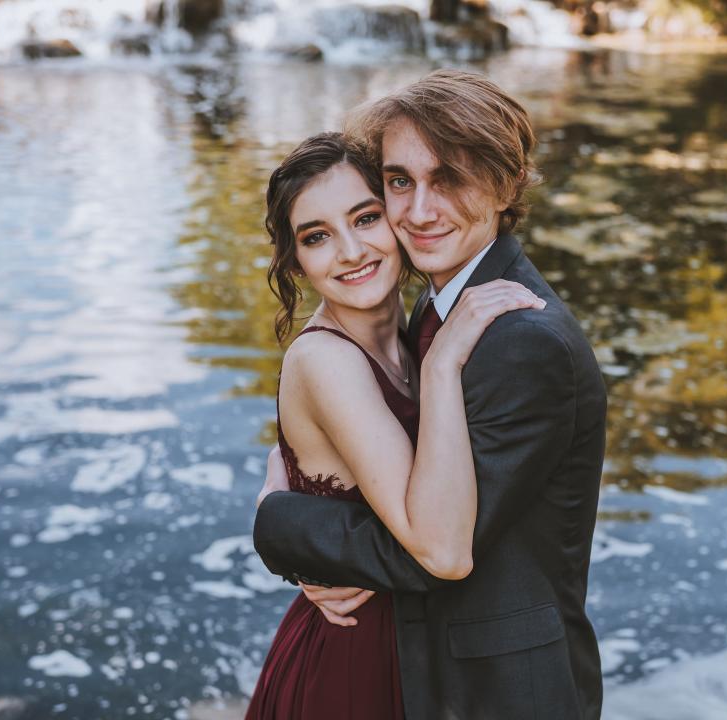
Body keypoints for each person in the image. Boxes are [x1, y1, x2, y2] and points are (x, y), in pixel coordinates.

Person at [255, 70, 607, 719]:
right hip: (410, 667)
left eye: (448, 178)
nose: (418, 210)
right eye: (398, 183)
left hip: (497, 695)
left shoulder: (520, 341)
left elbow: (438, 548)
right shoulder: (433, 306)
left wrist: (283, 524)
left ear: (506, 184)